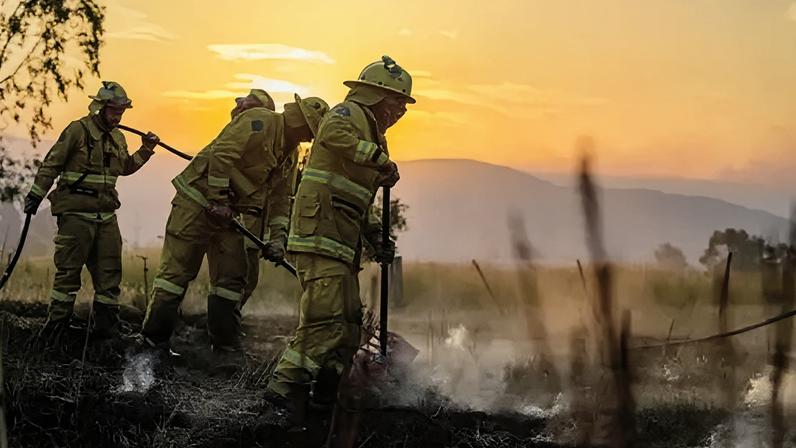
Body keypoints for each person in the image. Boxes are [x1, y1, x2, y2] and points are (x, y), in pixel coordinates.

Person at [265, 56, 414, 426]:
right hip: (319, 238)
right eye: (397, 101)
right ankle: (281, 394)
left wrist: (376, 239)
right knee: (324, 321)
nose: (401, 111)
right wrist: (378, 159)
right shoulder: (348, 115)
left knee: (348, 326)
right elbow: (332, 134)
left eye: (404, 106)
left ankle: (324, 396)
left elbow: (355, 200)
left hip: (340, 244)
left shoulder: (374, 135)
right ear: (376, 94)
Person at [139, 90, 328, 355]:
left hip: (229, 215)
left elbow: (281, 199)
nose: (310, 137)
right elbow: (222, 155)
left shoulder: (292, 154)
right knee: (176, 274)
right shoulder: (258, 122)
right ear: (298, 121)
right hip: (196, 203)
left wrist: (278, 238)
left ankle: (224, 348)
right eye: (309, 130)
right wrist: (217, 200)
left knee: (231, 279)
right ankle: (152, 342)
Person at [24, 81, 159, 339]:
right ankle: (57, 329)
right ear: (99, 108)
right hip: (76, 214)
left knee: (110, 275)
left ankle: (106, 331)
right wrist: (36, 194)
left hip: (106, 216)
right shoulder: (78, 130)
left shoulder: (118, 137)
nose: (118, 116)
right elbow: (51, 164)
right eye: (113, 111)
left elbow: (125, 168)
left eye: (121, 112)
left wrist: (146, 150)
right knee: (68, 272)